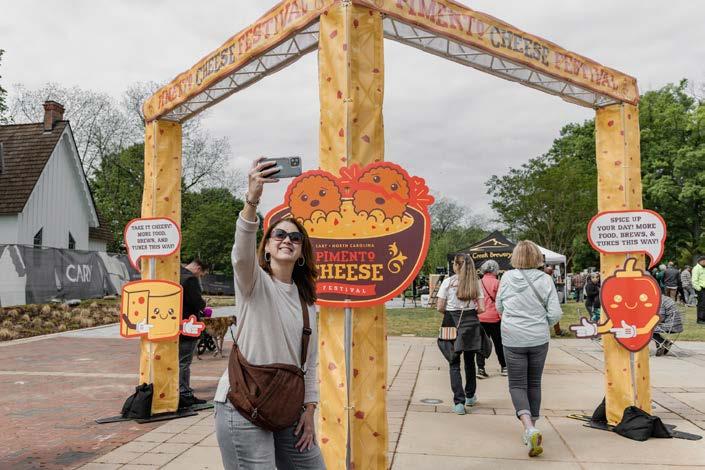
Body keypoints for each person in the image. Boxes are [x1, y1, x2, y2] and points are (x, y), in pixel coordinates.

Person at [214, 158, 325, 469]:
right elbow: (241, 253)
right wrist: (252, 200)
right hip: (243, 403)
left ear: (301, 253)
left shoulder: (307, 302)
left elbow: (308, 362)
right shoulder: (254, 283)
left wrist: (309, 410)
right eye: (279, 235)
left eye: (295, 238)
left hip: (288, 406)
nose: (287, 240)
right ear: (266, 248)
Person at [496, 240, 562, 457]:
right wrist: (542, 323)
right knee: (534, 382)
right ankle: (533, 426)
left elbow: (499, 306)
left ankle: (529, 427)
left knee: (517, 384)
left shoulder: (506, 278)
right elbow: (555, 313)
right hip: (538, 338)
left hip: (512, 337)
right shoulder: (545, 279)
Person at [436, 254, 485, 415]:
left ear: (456, 265)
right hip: (471, 323)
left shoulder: (448, 282)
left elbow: (440, 306)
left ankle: (459, 402)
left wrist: (452, 311)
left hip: (450, 321)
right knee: (470, 361)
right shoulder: (475, 283)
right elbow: (482, 308)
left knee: (453, 361)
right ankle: (470, 396)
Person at [179, 259, 209, 408]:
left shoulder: (175, 273)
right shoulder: (190, 279)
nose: (200, 277)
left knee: (176, 361)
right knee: (184, 362)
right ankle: (184, 394)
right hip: (188, 325)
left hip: (172, 324)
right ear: (198, 267)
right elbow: (197, 302)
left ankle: (177, 390)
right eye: (201, 274)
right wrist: (204, 305)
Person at [476, 260, 506, 378]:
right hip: (495, 318)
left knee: (481, 344)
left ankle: (480, 369)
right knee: (499, 344)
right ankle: (504, 367)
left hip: (481, 317)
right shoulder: (498, 283)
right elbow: (501, 301)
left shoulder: (478, 283)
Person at [545, 266, 567, 336]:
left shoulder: (547, 278)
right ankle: (557, 331)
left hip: (547, 299)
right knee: (553, 315)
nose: (552, 273)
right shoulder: (546, 279)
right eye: (551, 272)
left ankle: (557, 331)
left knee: (553, 315)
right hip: (547, 300)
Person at [693, 256, 705, 324]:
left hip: (703, 289)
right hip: (700, 289)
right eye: (704, 261)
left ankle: (703, 318)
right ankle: (700, 319)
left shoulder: (703, 268)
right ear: (700, 261)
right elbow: (694, 280)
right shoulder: (696, 268)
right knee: (701, 304)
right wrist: (699, 289)